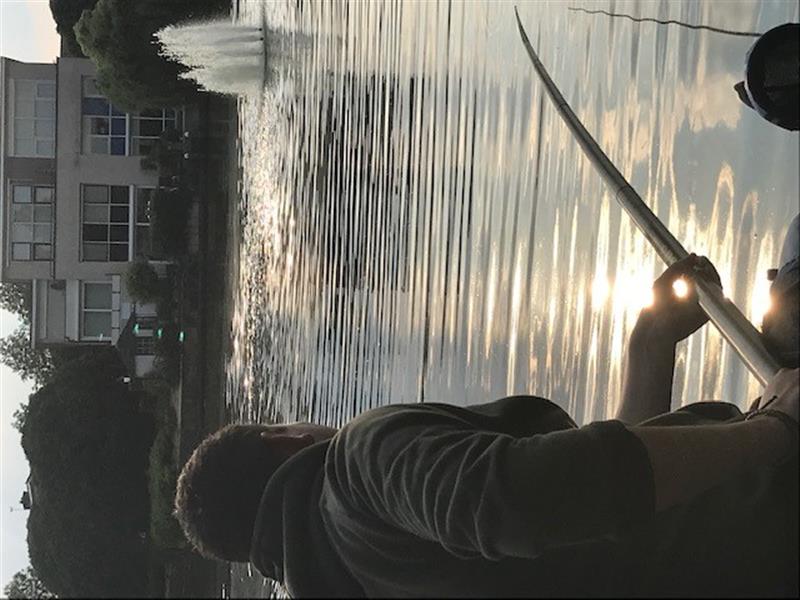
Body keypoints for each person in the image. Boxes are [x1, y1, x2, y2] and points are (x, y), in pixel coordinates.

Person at [175, 244, 799, 597]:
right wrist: (773, 432)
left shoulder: (360, 575)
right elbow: (529, 498)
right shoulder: (353, 472)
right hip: (764, 505)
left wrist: (649, 345)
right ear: (285, 439)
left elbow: (590, 537)